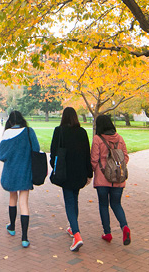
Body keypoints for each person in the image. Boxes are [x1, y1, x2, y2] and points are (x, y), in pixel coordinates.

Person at [49, 107, 93, 251]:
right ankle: (72, 228)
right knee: (74, 199)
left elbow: (53, 152)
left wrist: (54, 167)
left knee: (69, 202)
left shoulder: (59, 131)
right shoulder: (82, 132)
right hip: (79, 172)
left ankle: (77, 234)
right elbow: (88, 154)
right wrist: (89, 173)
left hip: (65, 172)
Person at [0, 110, 40, 248]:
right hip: (25, 171)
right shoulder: (29, 131)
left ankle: (12, 226)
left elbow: (1, 156)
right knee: (24, 203)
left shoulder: (7, 134)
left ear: (10, 121)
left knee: (12, 199)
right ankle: (25, 237)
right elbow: (36, 149)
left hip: (11, 172)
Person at [90, 115, 131, 245]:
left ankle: (107, 233)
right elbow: (125, 157)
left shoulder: (97, 139)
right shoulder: (119, 138)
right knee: (116, 204)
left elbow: (94, 159)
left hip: (102, 178)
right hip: (118, 178)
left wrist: (92, 172)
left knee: (103, 205)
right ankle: (124, 226)